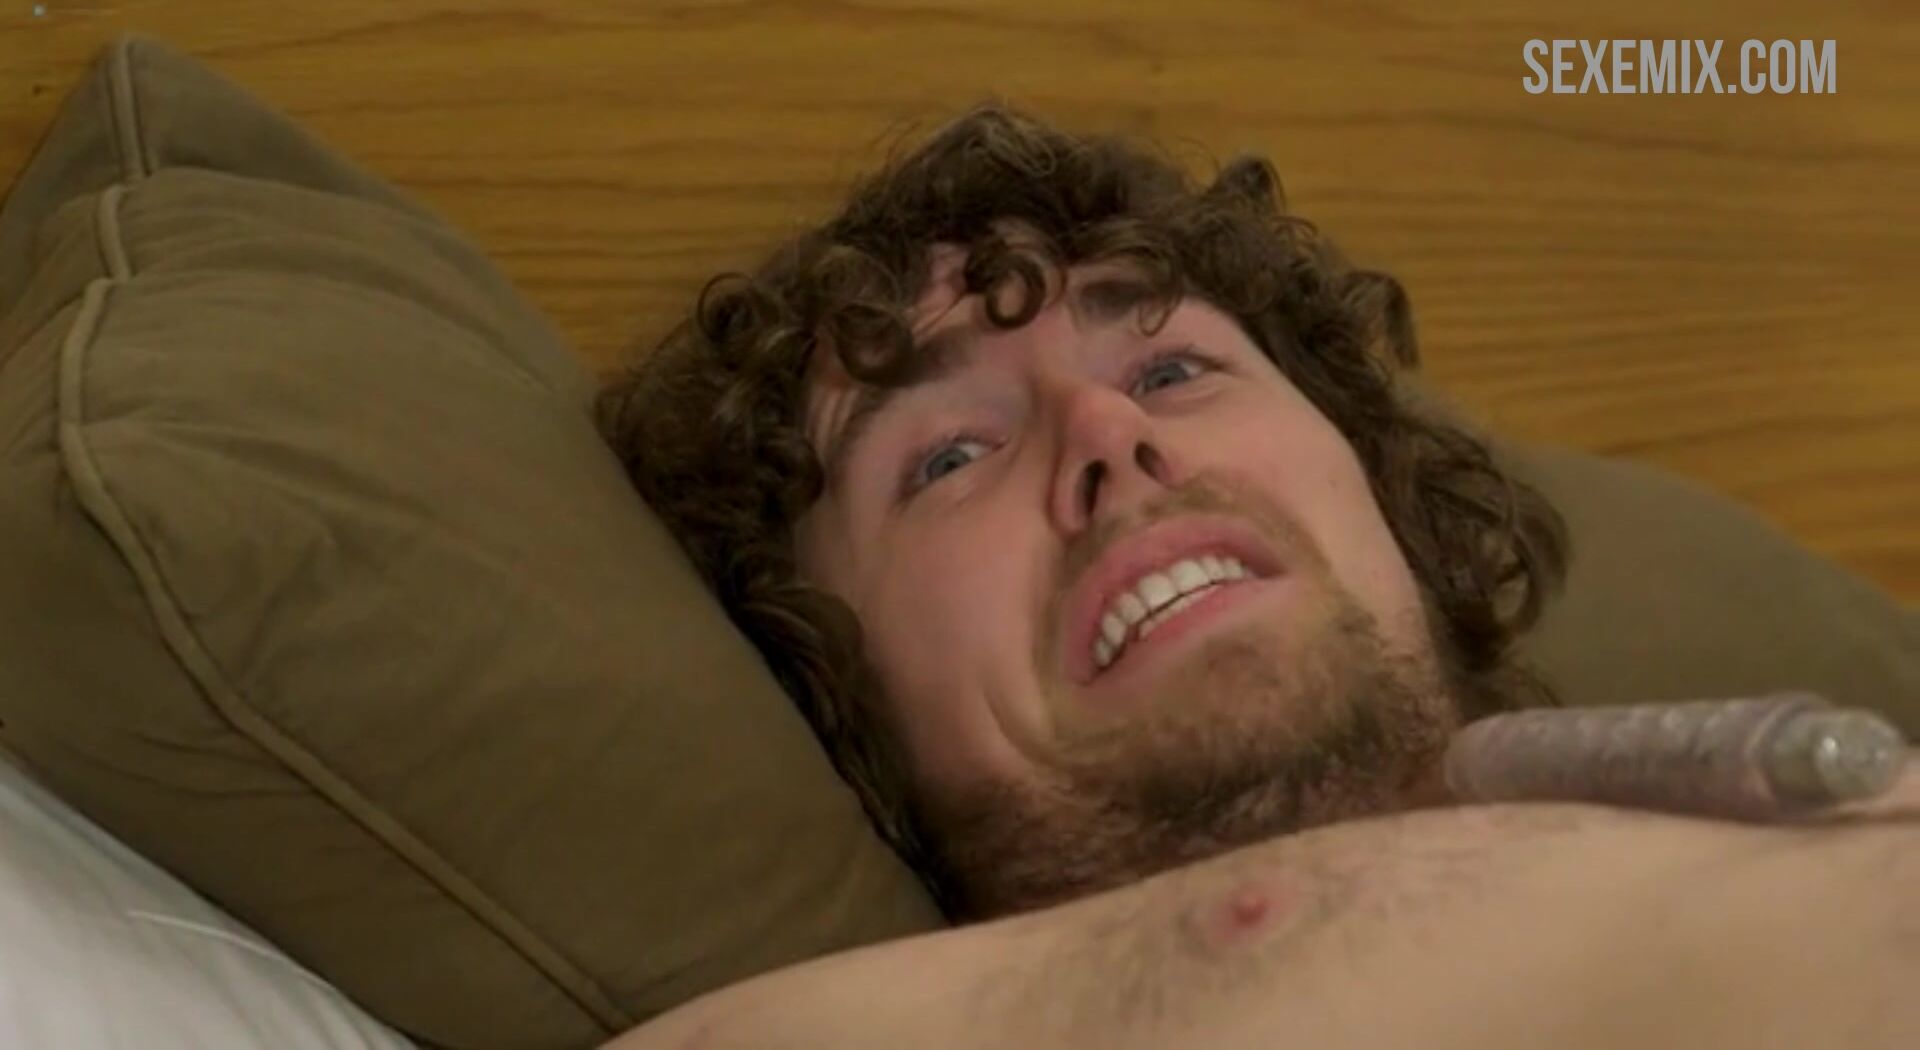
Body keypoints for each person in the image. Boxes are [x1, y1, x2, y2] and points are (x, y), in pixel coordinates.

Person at [597, 106, 1918, 1048]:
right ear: (835, 693)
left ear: (1378, 494)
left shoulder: (1821, 795)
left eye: (1173, 368)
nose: (1107, 430)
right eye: (948, 457)